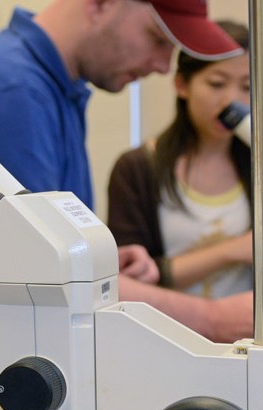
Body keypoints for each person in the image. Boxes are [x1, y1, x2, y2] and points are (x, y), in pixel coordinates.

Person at [0, 0, 251, 410]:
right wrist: (210, 320)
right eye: (156, 39)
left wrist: (105, 258)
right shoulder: (13, 91)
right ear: (102, 6)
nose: (162, 66)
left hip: (30, 404)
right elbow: (41, 268)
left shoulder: (54, 88)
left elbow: (49, 246)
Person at [108, 20, 253, 303]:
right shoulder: (137, 169)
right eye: (216, 83)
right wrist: (231, 250)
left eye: (246, 87)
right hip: (166, 335)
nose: (230, 101)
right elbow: (128, 279)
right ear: (182, 85)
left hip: (247, 335)